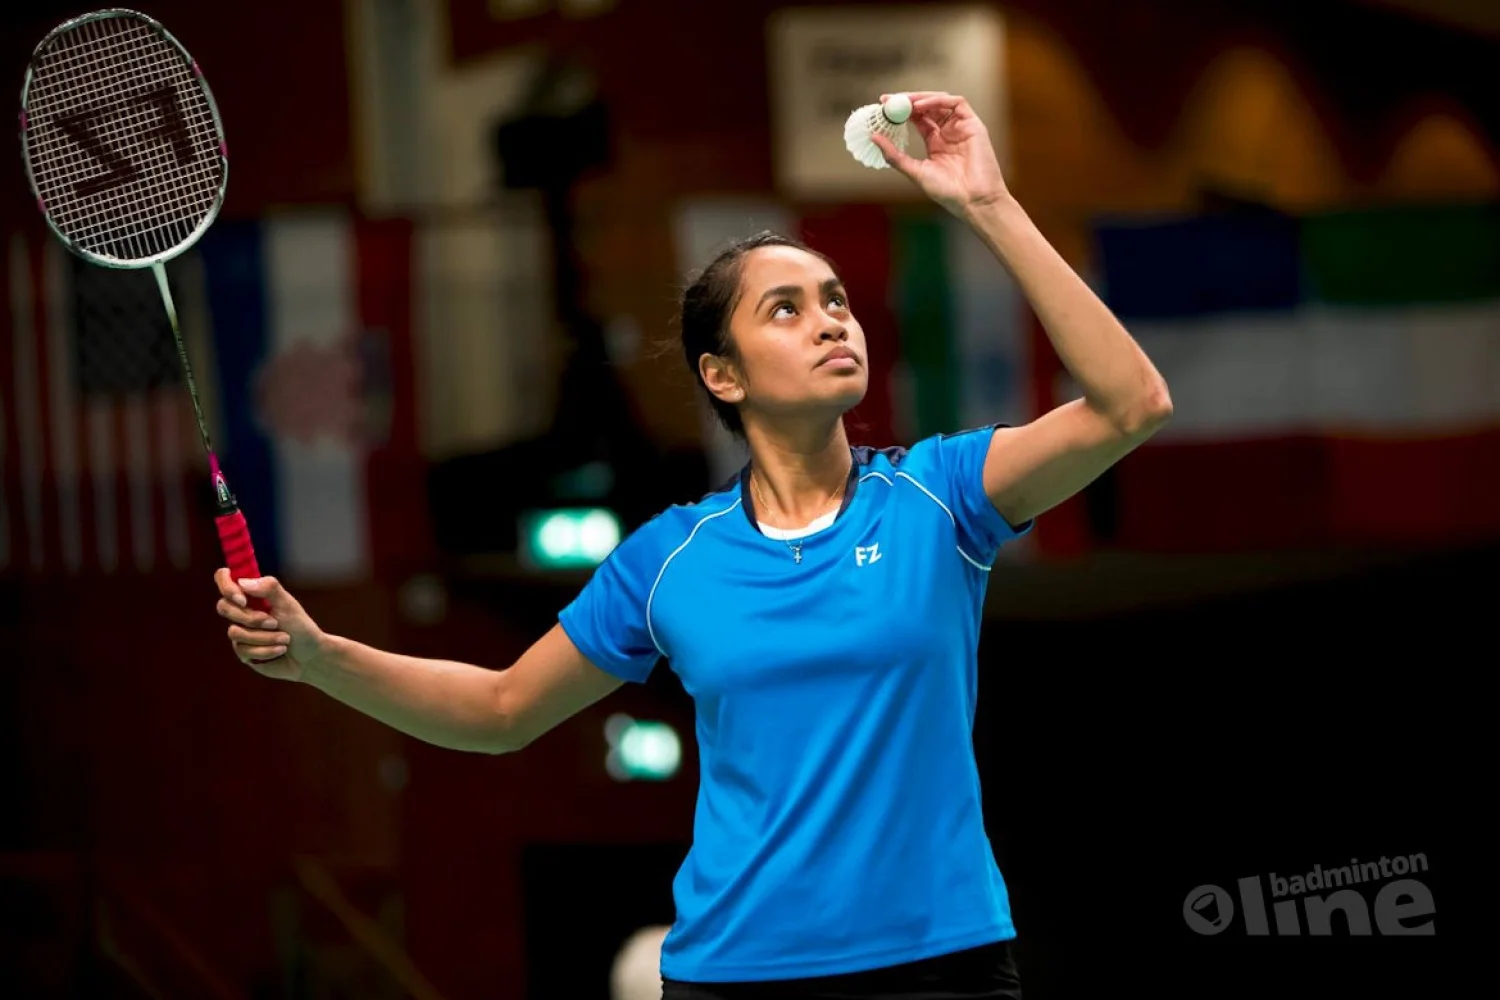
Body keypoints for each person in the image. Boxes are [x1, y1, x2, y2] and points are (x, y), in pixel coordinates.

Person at [215, 91, 1172, 999]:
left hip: (939, 964)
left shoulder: (937, 494)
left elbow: (1131, 405)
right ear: (722, 373)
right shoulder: (670, 558)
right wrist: (320, 658)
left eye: (834, 298)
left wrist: (990, 203)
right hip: (737, 972)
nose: (830, 319)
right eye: (785, 309)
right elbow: (504, 706)